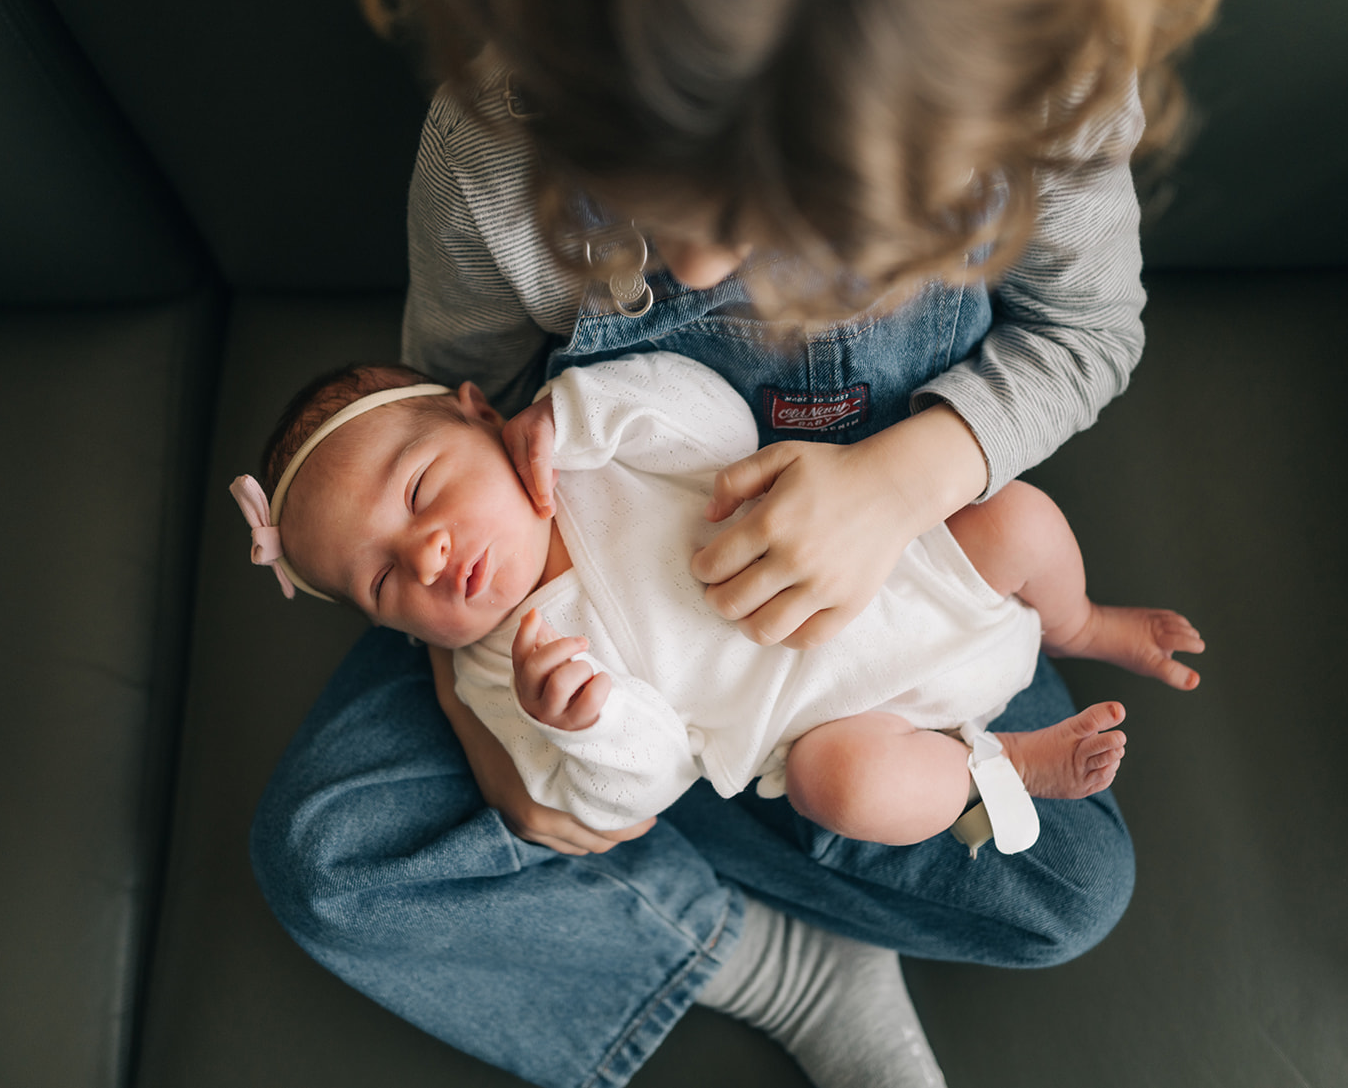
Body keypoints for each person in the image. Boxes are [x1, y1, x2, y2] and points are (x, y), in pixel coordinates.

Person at [248, 0, 1257, 1088]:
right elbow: (440, 412)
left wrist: (900, 482)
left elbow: (1087, 334)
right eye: (640, 189)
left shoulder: (1035, 82)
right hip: (576, 606)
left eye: (765, 212)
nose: (693, 261)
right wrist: (482, 708)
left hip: (907, 583)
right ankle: (780, 962)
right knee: (328, 853)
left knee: (1069, 887)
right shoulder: (497, 130)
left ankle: (727, 811)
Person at [235, 352, 1204, 849]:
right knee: (846, 793)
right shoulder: (504, 672)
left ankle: (1079, 622)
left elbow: (713, 414)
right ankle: (1000, 763)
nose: (431, 552)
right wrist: (585, 723)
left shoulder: (586, 449)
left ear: (483, 413)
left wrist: (576, 412)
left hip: (918, 573)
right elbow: (637, 792)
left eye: (418, 491)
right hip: (852, 725)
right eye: (383, 580)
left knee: (1018, 517)